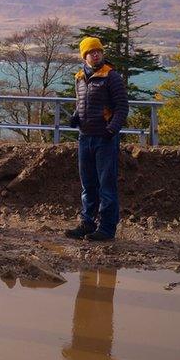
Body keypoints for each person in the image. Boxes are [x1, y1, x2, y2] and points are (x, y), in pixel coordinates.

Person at [65, 37, 129, 242]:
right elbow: (81, 103)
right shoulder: (79, 77)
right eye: (90, 52)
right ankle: (87, 223)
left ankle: (107, 228)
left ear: (102, 53)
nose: (95, 54)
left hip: (105, 139)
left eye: (98, 51)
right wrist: (76, 116)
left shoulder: (112, 77)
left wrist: (111, 130)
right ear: (84, 56)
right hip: (85, 137)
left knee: (106, 185)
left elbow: (122, 107)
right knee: (88, 184)